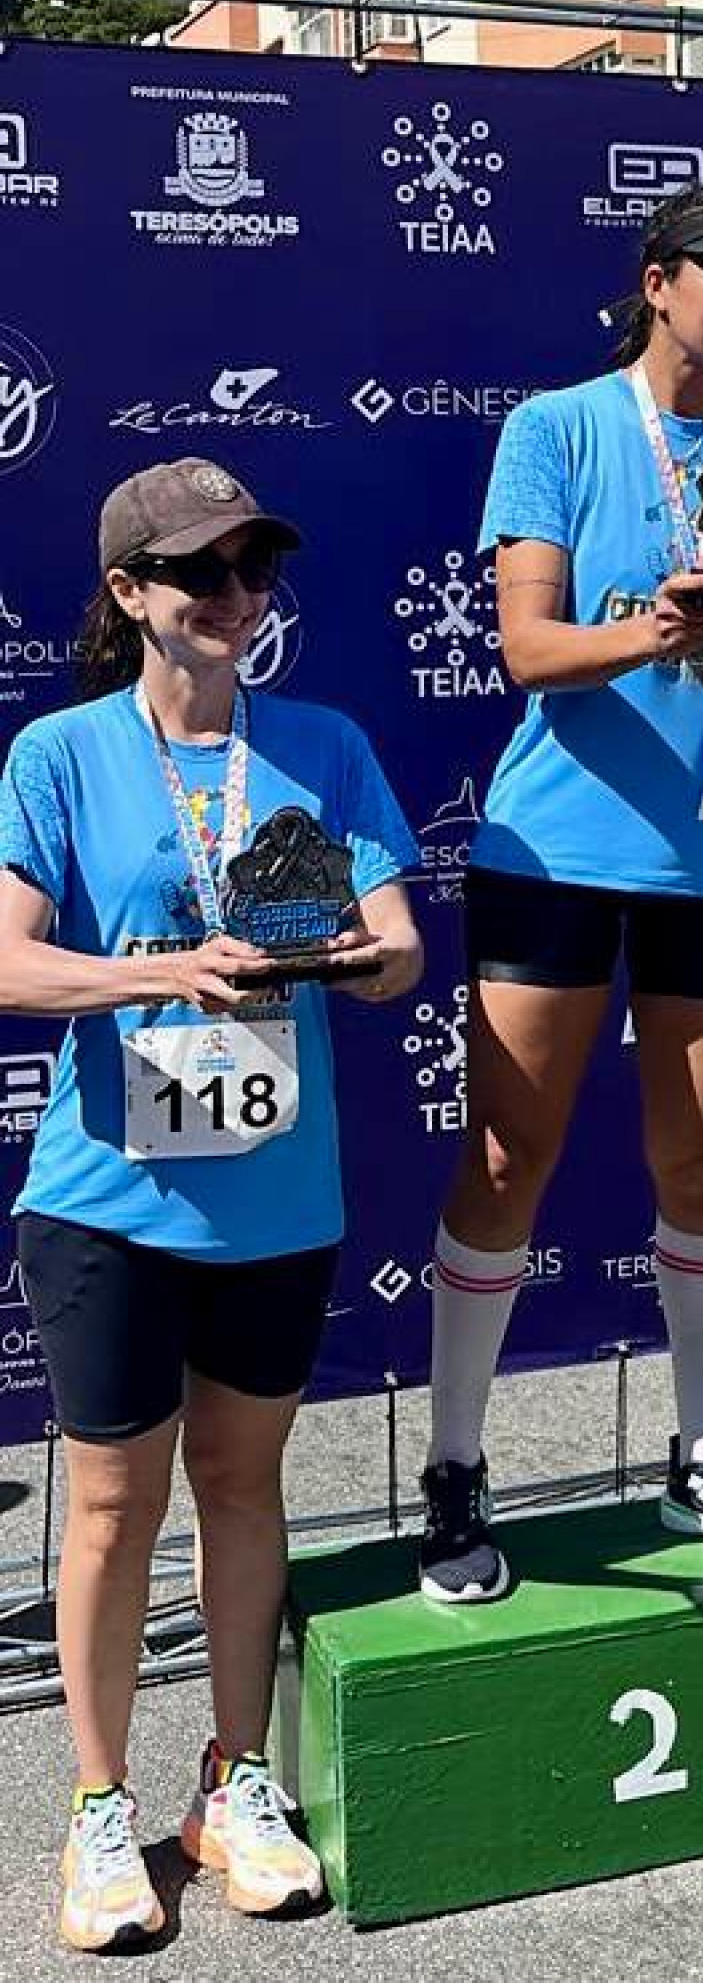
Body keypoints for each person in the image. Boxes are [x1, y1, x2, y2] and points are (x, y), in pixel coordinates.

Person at [0, 458, 422, 1952]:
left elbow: (397, 947)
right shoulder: (57, 754)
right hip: (107, 1202)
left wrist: (358, 964)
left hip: (275, 1200)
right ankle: (98, 1805)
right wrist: (160, 972)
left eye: (254, 571)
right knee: (112, 1506)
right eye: (202, 575)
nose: (237, 599)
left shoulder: (322, 744)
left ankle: (235, 1778)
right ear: (129, 597)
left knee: (244, 1489)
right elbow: (10, 963)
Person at [418, 184, 703, 1604]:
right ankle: (457, 1466)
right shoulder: (557, 428)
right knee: (506, 1163)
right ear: (657, 284)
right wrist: (646, 627)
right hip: (557, 854)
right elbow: (528, 649)